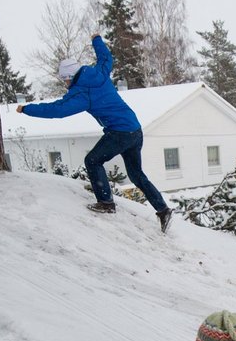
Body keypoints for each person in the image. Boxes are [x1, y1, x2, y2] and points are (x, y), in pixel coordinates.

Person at [17, 34, 172, 233]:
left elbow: (58, 110)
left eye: (64, 79)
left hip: (119, 133)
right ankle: (163, 209)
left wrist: (27, 109)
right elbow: (106, 58)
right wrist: (97, 40)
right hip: (134, 129)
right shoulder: (99, 72)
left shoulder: (82, 93)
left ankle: (106, 203)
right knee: (136, 174)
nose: (65, 83)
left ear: (69, 77)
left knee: (92, 160)